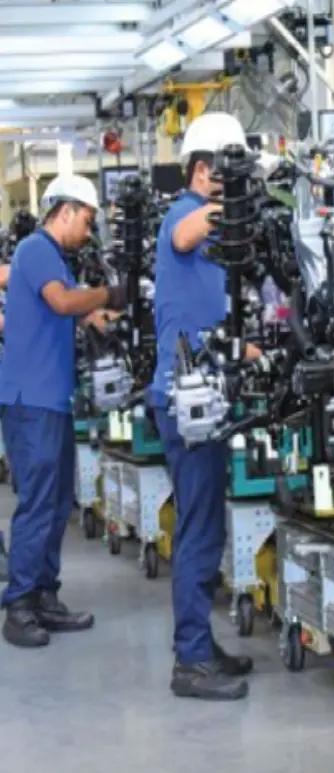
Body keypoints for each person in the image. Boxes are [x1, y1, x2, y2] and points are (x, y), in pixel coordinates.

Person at [150, 112, 261, 701]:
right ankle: (190, 662)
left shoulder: (215, 238)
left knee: (207, 525)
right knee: (197, 529)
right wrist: (240, 199)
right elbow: (185, 234)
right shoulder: (181, 218)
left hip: (206, 393)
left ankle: (201, 645)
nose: (234, 184)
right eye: (228, 170)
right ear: (202, 170)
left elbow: (206, 309)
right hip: (184, 399)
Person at [0, 174, 128, 648]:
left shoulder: (57, 260)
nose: (88, 231)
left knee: (56, 505)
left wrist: (123, 309)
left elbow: (84, 312)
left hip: (51, 399)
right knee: (37, 503)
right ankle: (18, 606)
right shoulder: (36, 250)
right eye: (87, 220)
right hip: (29, 400)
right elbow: (64, 302)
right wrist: (107, 293)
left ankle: (44, 596)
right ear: (66, 211)